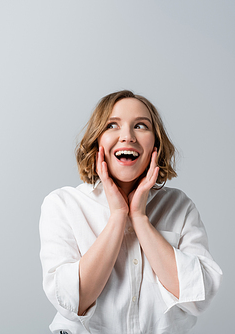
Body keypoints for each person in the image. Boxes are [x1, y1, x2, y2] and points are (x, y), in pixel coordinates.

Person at [39, 90, 222, 334]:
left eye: (141, 126)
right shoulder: (62, 204)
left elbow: (197, 297)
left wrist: (139, 218)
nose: (127, 136)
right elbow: (74, 303)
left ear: (155, 146)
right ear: (97, 141)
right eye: (112, 125)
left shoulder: (180, 206)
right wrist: (118, 216)